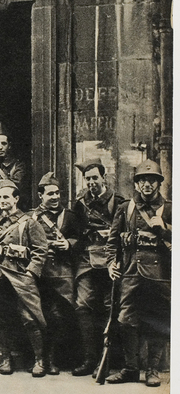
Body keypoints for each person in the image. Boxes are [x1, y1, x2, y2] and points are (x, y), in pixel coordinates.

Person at [106, 160, 171, 387]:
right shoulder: (126, 208)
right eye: (142, 180)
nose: (147, 185)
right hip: (130, 271)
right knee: (126, 320)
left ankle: (152, 370)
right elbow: (113, 241)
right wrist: (110, 263)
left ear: (159, 183)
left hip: (159, 273)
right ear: (137, 184)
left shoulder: (170, 209)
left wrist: (165, 228)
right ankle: (131, 369)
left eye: (152, 180)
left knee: (158, 320)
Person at [0, 180, 48, 377]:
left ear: (16, 199)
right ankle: (6, 358)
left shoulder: (28, 223)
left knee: (29, 317)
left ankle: (39, 360)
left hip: (20, 276)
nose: (2, 201)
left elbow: (41, 250)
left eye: (6, 197)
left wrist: (31, 272)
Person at [72, 158, 125, 376]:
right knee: (82, 305)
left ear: (104, 178)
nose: (91, 182)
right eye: (88, 179)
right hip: (87, 258)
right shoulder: (80, 204)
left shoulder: (118, 202)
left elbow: (125, 233)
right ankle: (89, 359)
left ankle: (107, 360)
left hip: (110, 259)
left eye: (95, 178)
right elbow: (75, 232)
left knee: (108, 307)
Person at [31, 172, 80, 374]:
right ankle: (39, 359)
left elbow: (79, 238)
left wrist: (68, 244)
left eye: (57, 193)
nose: (55, 197)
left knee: (59, 316)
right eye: (50, 193)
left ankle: (51, 359)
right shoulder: (32, 217)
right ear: (40, 195)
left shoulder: (69, 216)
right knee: (39, 315)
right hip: (39, 274)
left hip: (62, 274)